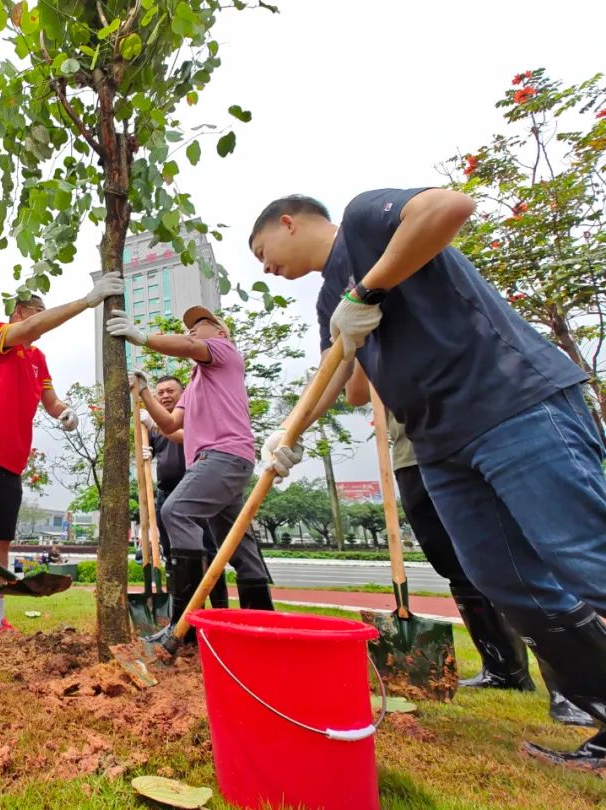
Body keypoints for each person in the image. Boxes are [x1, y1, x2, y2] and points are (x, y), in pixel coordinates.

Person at [249, 189, 606, 768]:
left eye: (264, 250)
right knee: (506, 580)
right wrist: (287, 433)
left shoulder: (366, 221)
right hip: (440, 443)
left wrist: (369, 290)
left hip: (510, 404)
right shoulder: (327, 302)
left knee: (583, 556)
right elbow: (347, 378)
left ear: (289, 222)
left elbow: (450, 209)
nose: (266, 267)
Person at [345, 361, 592, 726]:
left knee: (521, 562)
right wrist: (362, 346)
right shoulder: (360, 324)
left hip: (472, 437)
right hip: (410, 453)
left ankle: (572, 687)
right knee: (453, 563)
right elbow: (355, 393)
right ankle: (503, 669)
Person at [0, 274, 123, 658]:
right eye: (38, 314)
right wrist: (86, 302)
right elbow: (30, 329)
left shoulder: (38, 358)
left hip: (12, 462)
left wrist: (64, 412)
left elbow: (49, 398)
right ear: (21, 311)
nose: (42, 325)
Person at [108, 306, 273, 650]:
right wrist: (144, 393)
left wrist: (141, 337)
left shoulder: (225, 353)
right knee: (238, 546)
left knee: (175, 512)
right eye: (191, 328)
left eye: (201, 325)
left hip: (223, 458)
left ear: (221, 333)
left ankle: (182, 630)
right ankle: (262, 627)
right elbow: (169, 426)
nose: (194, 332)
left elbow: (187, 347)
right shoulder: (198, 384)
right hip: (222, 463)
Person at [141, 375, 229, 610]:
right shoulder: (152, 426)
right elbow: (146, 451)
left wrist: (156, 425)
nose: (164, 396)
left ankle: (219, 608)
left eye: (170, 391)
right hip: (166, 493)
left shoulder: (193, 418)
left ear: (183, 395)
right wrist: (142, 453)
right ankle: (181, 611)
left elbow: (188, 438)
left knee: (208, 550)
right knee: (173, 552)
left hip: (196, 493)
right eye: (159, 393)